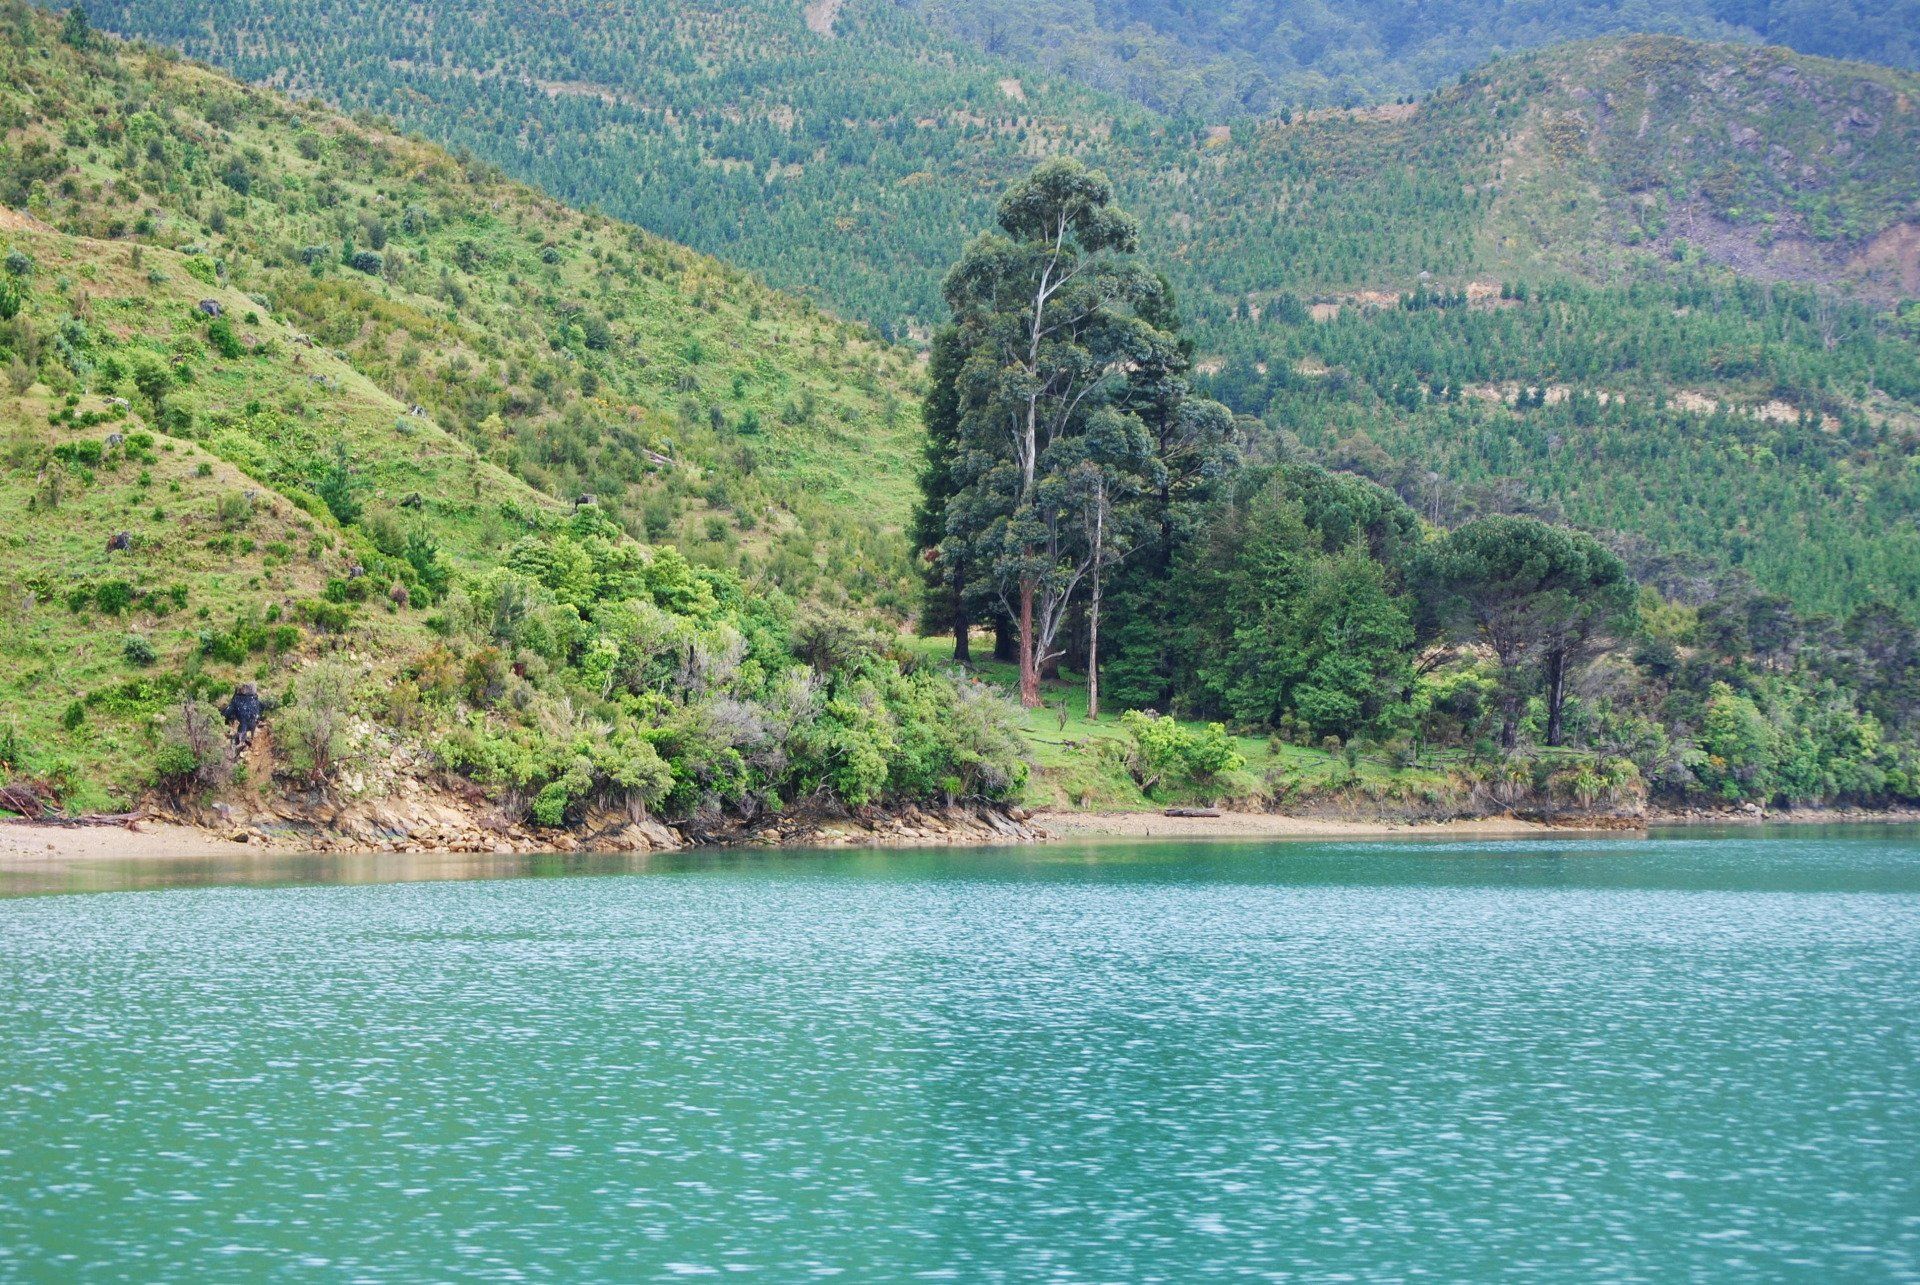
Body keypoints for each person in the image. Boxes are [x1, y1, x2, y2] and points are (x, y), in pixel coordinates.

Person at [222, 682, 262, 749]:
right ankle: (247, 739)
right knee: (245, 724)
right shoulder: (254, 699)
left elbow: (228, 711)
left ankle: (242, 741)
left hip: (247, 723)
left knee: (243, 724)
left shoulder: (238, 699)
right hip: (252, 723)